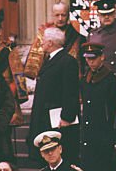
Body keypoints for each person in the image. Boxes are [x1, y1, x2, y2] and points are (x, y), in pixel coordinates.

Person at [27, 27, 81, 157]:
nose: (42, 43)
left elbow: (71, 91)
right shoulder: (50, 60)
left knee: (59, 153)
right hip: (45, 115)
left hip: (57, 119)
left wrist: (67, 116)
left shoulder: (67, 61)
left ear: (50, 42)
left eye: (44, 40)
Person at [79, 41, 116, 171]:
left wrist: (114, 137)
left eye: (93, 58)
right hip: (88, 137)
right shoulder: (86, 79)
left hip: (103, 137)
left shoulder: (112, 79)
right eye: (87, 59)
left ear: (102, 57)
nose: (90, 62)